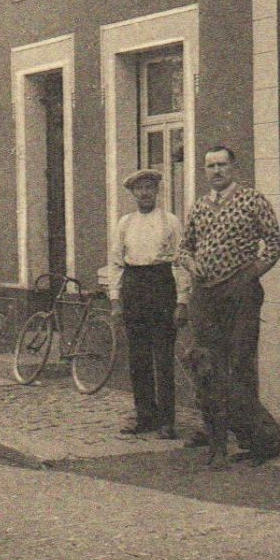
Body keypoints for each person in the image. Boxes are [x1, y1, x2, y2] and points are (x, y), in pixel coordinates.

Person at [178, 144, 280, 464]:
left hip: (240, 293)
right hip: (206, 295)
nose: (217, 172)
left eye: (222, 165)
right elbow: (184, 249)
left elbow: (274, 243)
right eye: (210, 166)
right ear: (204, 171)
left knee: (240, 364)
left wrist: (251, 274)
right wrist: (191, 263)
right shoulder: (198, 207)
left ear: (233, 168)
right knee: (208, 367)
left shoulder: (252, 199)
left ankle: (257, 442)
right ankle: (219, 441)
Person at [108, 168, 188, 439]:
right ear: (132, 193)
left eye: (149, 188)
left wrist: (182, 301)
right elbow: (117, 264)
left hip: (161, 286)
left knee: (163, 358)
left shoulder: (171, 222)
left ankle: (167, 421)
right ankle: (145, 416)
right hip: (134, 287)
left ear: (157, 191)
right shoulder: (125, 224)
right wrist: (116, 301)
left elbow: (180, 264)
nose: (144, 193)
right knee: (138, 358)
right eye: (139, 189)